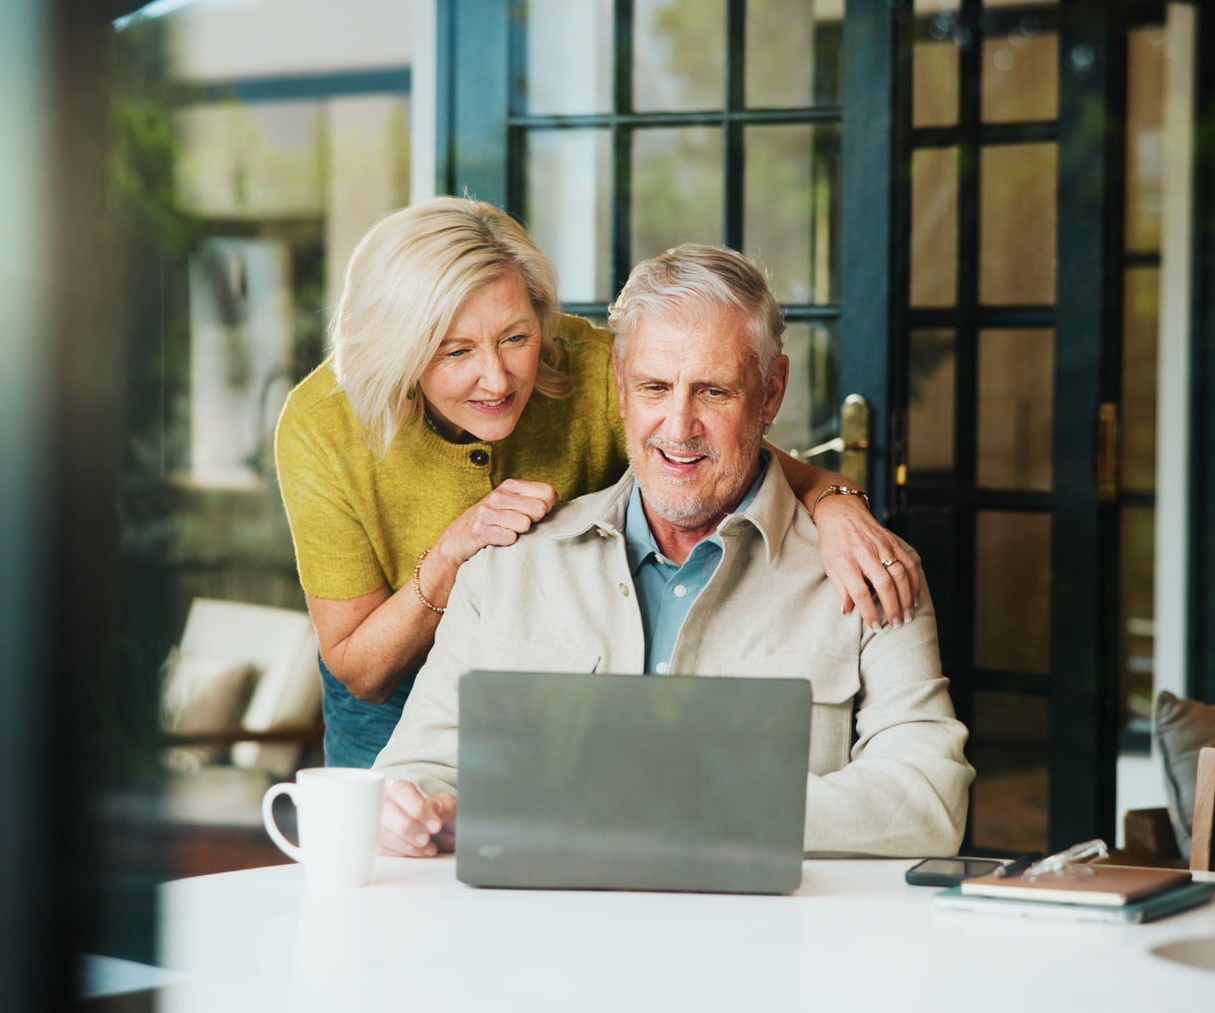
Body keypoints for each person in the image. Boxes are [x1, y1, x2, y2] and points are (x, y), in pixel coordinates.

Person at [275, 197, 925, 768]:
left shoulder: (594, 366)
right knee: (390, 855)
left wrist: (835, 500)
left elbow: (721, 441)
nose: (498, 378)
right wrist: (452, 552)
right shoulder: (324, 424)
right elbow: (359, 669)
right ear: (402, 351)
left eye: (516, 337)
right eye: (456, 351)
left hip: (548, 666)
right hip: (391, 680)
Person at [372, 244, 973, 858]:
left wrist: (688, 807)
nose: (679, 426)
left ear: (770, 393)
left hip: (768, 945)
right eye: (654, 387)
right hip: (547, 941)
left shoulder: (870, 573)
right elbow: (415, 768)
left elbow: (928, 797)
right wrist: (406, 810)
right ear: (621, 389)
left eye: (713, 392)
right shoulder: (508, 565)